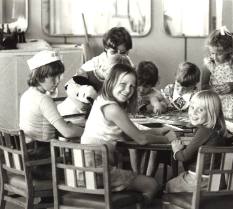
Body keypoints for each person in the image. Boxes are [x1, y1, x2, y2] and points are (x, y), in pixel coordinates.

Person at [81, 63, 177, 201]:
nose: (128, 90)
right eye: (123, 84)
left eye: (132, 86)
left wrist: (159, 130)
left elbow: (129, 134)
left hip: (85, 168)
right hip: (97, 171)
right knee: (152, 185)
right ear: (111, 82)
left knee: (140, 181)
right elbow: (141, 140)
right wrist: (168, 139)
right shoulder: (113, 109)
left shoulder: (102, 100)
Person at [20, 50, 84, 178]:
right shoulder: (43, 99)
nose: (57, 81)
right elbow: (67, 132)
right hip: (43, 163)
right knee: (85, 170)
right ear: (39, 76)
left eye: (59, 76)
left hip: (28, 157)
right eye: (53, 77)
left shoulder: (27, 94)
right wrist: (90, 131)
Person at [165, 90, 233, 194]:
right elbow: (231, 138)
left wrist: (176, 150)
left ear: (211, 112)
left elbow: (184, 157)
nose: (193, 112)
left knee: (168, 185)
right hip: (218, 180)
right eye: (192, 107)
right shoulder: (220, 129)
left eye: (200, 110)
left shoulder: (204, 131)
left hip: (200, 181)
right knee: (180, 177)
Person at [201, 26, 233, 121]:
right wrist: (217, 90)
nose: (215, 57)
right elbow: (204, 86)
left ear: (229, 50)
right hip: (219, 103)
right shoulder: (208, 62)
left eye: (219, 54)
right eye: (212, 53)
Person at [77, 27, 134, 92]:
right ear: (106, 49)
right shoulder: (93, 65)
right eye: (114, 52)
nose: (118, 56)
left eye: (123, 53)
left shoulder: (129, 63)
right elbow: (74, 83)